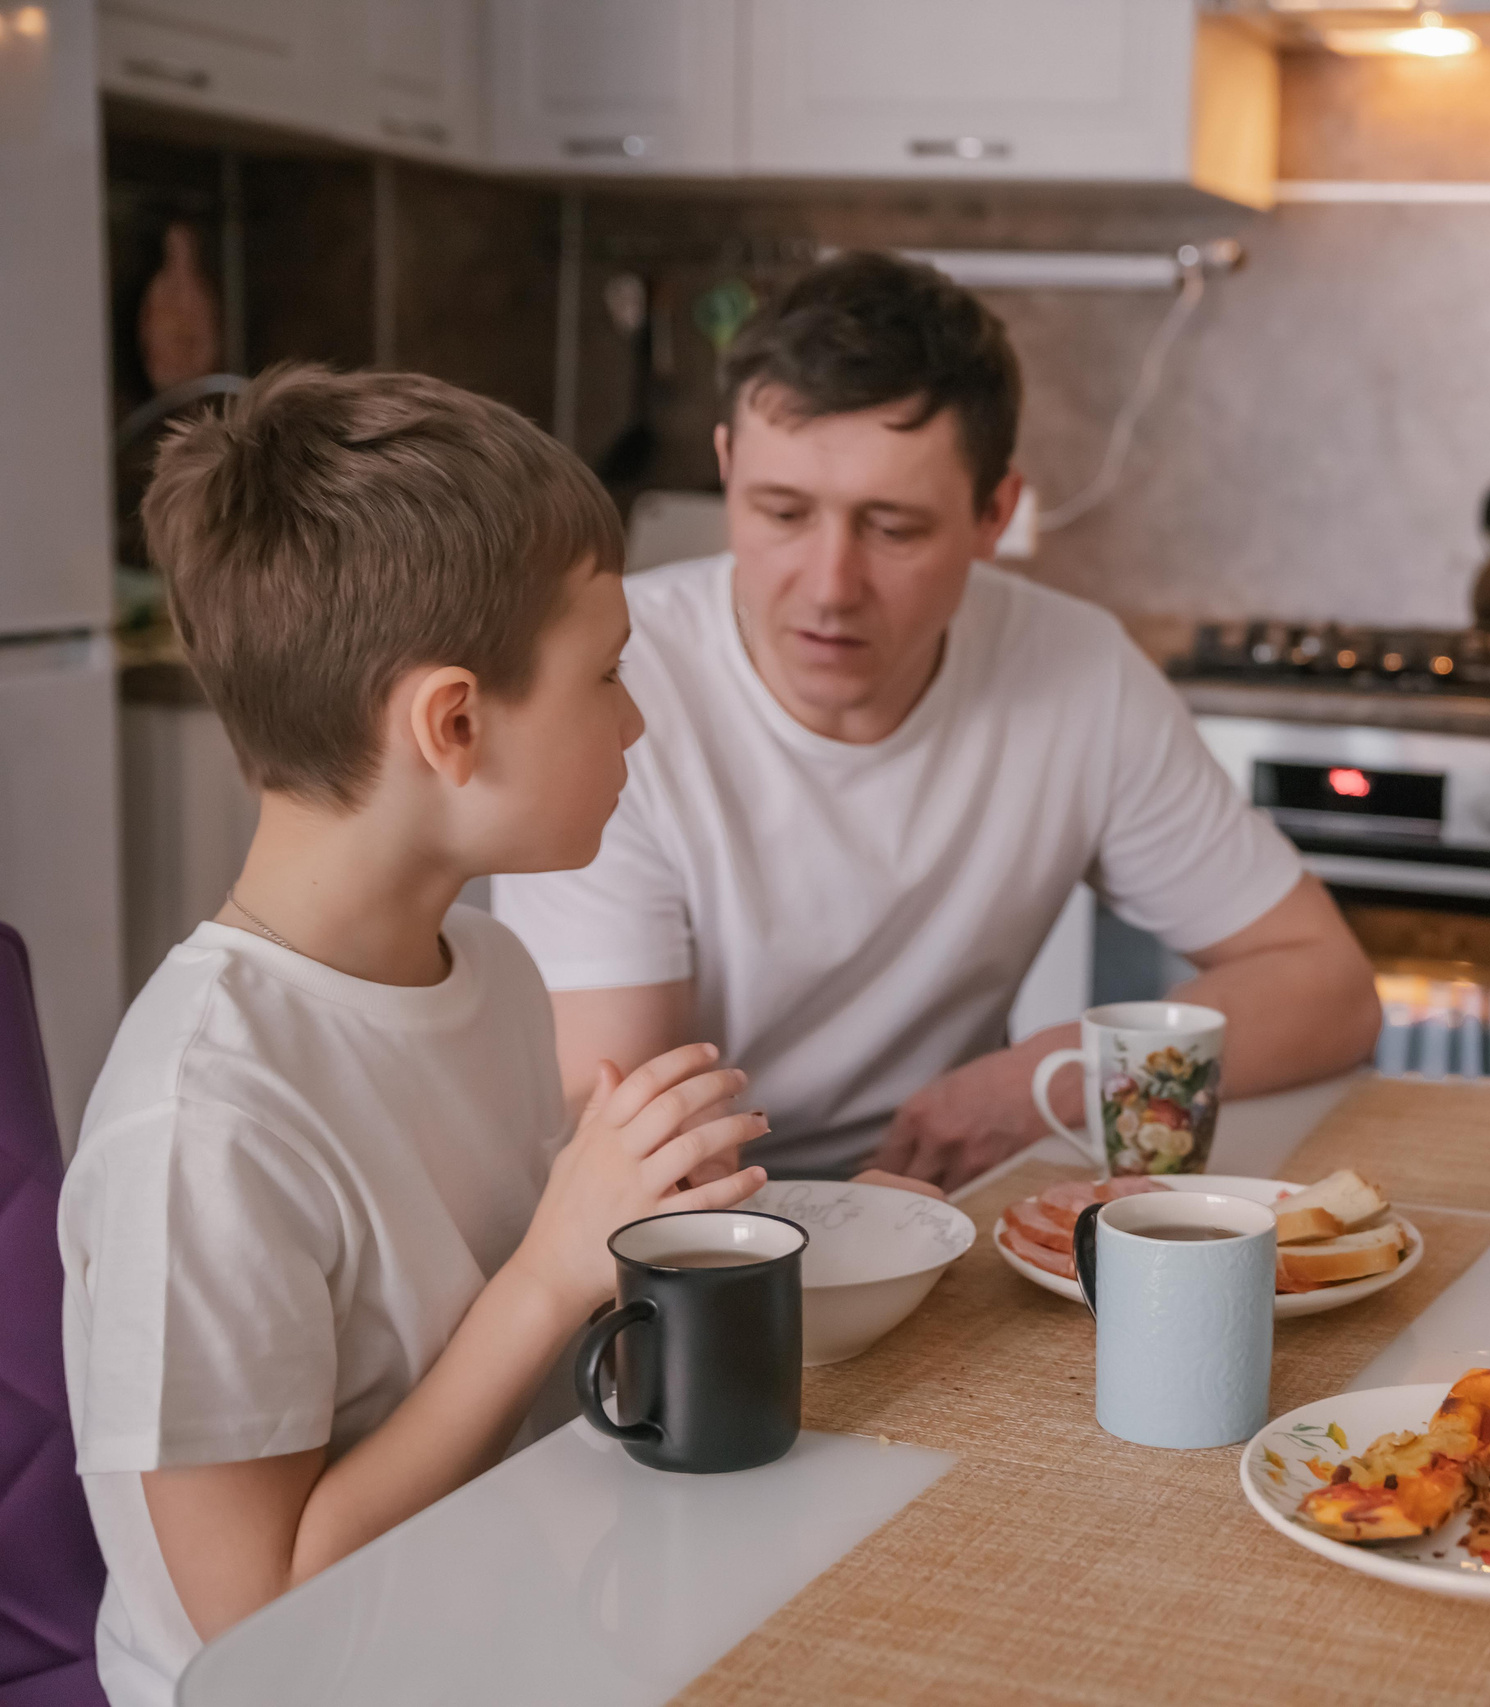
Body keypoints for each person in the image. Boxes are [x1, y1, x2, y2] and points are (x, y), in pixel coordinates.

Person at [59, 368, 773, 1706]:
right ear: (453, 723)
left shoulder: (491, 967)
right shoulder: (206, 1123)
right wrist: (559, 1266)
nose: (635, 718)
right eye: (608, 671)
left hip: (506, 1619)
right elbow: (259, 1618)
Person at [492, 252, 1380, 1189]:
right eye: (783, 511)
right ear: (726, 468)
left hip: (951, 1211)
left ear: (995, 512)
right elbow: (619, 1129)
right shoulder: (615, 681)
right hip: (697, 1231)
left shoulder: (1079, 672)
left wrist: (1035, 1082)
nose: (830, 587)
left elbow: (1327, 987)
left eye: (894, 528)